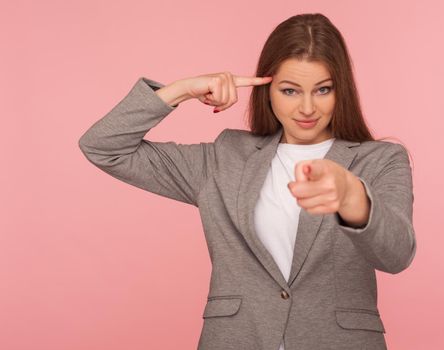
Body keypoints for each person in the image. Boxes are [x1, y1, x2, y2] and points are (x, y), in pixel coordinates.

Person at [79, 13, 416, 350]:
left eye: (323, 89)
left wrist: (352, 198)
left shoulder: (380, 160)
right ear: (267, 90)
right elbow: (104, 147)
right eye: (290, 90)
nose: (307, 107)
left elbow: (397, 255)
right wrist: (181, 90)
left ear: (341, 90)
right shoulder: (226, 157)